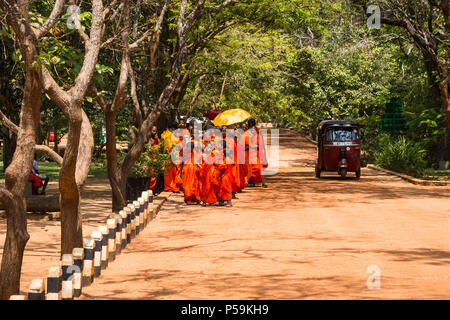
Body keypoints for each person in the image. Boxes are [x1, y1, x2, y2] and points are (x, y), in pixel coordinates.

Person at [246, 118, 268, 187]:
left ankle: (262, 182)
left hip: (258, 150)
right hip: (252, 150)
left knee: (258, 167)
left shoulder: (258, 130)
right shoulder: (248, 131)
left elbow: (260, 140)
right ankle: (254, 182)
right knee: (253, 167)